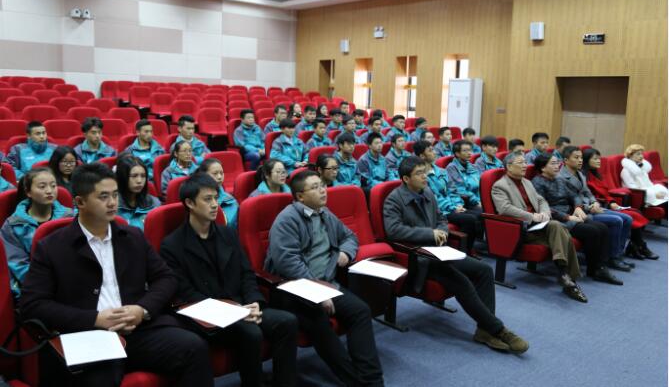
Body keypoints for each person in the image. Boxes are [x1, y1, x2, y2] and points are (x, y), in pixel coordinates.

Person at [20, 163, 214, 387]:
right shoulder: (52, 247)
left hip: (137, 329)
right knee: (98, 380)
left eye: (114, 195)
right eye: (103, 197)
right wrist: (94, 319)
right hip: (89, 335)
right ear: (80, 202)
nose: (113, 202)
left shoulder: (132, 236)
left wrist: (141, 310)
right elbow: (32, 304)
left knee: (194, 347)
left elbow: (166, 278)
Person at [160, 173, 298, 387]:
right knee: (251, 333)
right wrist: (234, 311)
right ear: (190, 203)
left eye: (216, 198)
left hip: (242, 306)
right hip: (209, 315)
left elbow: (246, 272)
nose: (215, 204)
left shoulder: (228, 234)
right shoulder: (172, 245)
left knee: (287, 321)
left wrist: (254, 302)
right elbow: (185, 292)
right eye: (207, 199)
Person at [384, 157, 528, 353]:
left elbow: (441, 218)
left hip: (441, 251)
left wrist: (442, 231)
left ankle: (484, 330)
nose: (425, 176)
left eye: (425, 172)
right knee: (462, 282)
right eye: (419, 174)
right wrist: (429, 234)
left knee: (484, 270)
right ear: (406, 179)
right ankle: (499, 330)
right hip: (420, 257)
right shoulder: (394, 199)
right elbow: (393, 231)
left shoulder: (427, 191)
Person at [266, 170, 385, 386]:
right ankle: (355, 382)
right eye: (315, 187)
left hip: (326, 284)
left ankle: (372, 380)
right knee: (319, 322)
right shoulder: (287, 220)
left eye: (322, 185)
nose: (323, 190)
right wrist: (317, 292)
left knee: (361, 311)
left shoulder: (324, 213)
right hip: (294, 289)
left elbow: (350, 236)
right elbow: (288, 263)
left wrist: (345, 252)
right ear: (300, 196)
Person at [491, 152, 588, 302]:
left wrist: (544, 212)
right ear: (509, 167)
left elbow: (541, 200)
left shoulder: (526, 182)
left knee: (558, 227)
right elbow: (504, 208)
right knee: (561, 230)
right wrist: (531, 216)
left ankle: (565, 275)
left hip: (540, 226)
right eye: (521, 163)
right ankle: (568, 278)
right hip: (520, 229)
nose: (525, 165)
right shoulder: (500, 186)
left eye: (525, 162)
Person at [531, 153, 623, 285]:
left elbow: (574, 195)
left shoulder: (559, 179)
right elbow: (543, 207)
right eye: (553, 163)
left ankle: (600, 267)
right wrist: (568, 217)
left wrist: (578, 207)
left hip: (571, 213)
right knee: (593, 232)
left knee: (603, 228)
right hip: (558, 219)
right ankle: (596, 269)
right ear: (543, 168)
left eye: (557, 163)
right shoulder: (537, 183)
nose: (557, 166)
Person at [557, 146, 635, 273]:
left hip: (590, 207)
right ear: (565, 160)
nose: (580, 160)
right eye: (576, 157)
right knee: (616, 220)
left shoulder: (580, 174)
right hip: (580, 211)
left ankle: (618, 254)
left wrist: (594, 202)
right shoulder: (561, 177)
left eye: (581, 157)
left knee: (627, 218)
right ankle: (612, 257)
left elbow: (588, 192)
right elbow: (570, 200)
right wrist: (589, 207)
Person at [1, 167, 73, 297]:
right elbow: (19, 266)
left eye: (53, 185)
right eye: (42, 186)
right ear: (28, 192)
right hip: (35, 288)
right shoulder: (13, 225)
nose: (49, 191)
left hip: (72, 283)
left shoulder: (71, 217)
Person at [582, 148, 658, 260]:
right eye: (595, 159)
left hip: (606, 203)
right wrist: (608, 203)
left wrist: (612, 201)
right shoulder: (584, 176)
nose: (599, 161)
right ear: (586, 160)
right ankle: (638, 246)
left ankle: (636, 245)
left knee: (636, 212)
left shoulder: (595, 174)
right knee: (632, 216)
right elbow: (590, 196)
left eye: (599, 158)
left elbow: (605, 192)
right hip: (598, 206)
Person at [414, 140, 483, 253]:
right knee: (470, 219)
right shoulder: (422, 176)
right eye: (430, 151)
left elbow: (452, 190)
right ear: (422, 156)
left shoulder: (441, 171)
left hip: (451, 206)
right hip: (440, 210)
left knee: (477, 215)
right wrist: (453, 207)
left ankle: (466, 249)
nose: (434, 152)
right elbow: (434, 198)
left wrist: (458, 204)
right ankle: (462, 251)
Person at [116, 155, 161, 231]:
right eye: (134, 176)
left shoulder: (155, 203)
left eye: (143, 176)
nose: (139, 181)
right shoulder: (112, 207)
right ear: (122, 177)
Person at [196, 158, 239, 229]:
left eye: (221, 173)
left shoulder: (230, 199)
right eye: (215, 174)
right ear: (203, 175)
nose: (219, 177)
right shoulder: (198, 201)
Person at [446, 140, 482, 209]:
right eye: (465, 151)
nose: (469, 153)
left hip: (478, 199)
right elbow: (460, 189)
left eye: (470, 150)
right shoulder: (452, 168)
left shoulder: (473, 166)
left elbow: (480, 185)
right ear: (457, 153)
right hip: (466, 202)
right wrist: (477, 202)